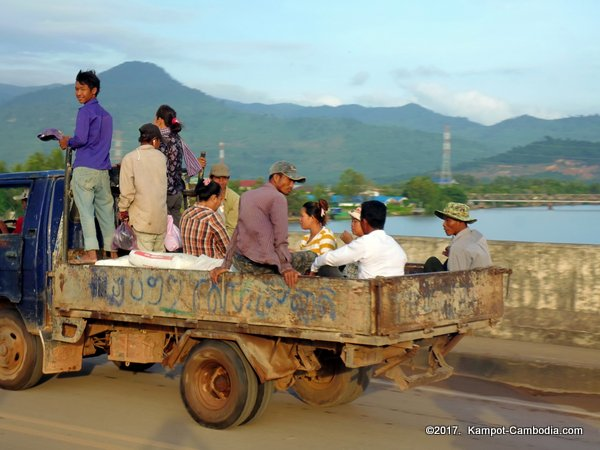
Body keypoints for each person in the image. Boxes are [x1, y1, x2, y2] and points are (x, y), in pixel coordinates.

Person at [210, 161, 315, 289]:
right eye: (289, 180)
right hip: (260, 266)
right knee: (313, 257)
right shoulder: (278, 198)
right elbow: (280, 240)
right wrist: (286, 268)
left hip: (241, 262)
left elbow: (237, 233)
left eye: (294, 182)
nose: (292, 185)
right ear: (277, 177)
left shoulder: (246, 196)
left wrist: (225, 265)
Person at [59, 70, 115, 264]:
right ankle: (111, 252)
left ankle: (91, 253)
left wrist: (68, 141)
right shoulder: (107, 116)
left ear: (94, 90)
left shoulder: (85, 112)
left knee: (86, 212)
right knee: (106, 213)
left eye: (82, 89)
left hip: (84, 169)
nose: (78, 93)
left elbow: (81, 139)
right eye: (76, 89)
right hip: (102, 170)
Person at [310, 200, 407, 279]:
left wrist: (314, 267)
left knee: (324, 268)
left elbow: (329, 258)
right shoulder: (394, 244)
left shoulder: (365, 242)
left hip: (366, 293)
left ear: (364, 222)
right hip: (391, 292)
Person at [118, 124, 168, 252]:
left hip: (142, 222)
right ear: (154, 140)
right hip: (160, 222)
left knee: (144, 264)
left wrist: (123, 210)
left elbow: (127, 192)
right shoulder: (162, 158)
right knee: (159, 262)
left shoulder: (130, 158)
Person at [424, 202, 492, 272]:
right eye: (444, 220)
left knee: (431, 262)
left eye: (448, 220)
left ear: (460, 222)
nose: (444, 224)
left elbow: (454, 279)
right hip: (483, 276)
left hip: (469, 281)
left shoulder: (458, 247)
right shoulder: (477, 235)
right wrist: (452, 253)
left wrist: (454, 251)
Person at [180, 179, 230, 258]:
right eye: (220, 199)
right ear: (214, 198)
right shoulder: (212, 217)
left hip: (189, 264)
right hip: (209, 266)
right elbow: (228, 249)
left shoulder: (186, 213)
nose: (220, 203)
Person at [154, 105, 186, 227]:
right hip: (177, 191)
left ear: (160, 120)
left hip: (164, 193)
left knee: (165, 233)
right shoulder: (177, 138)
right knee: (176, 233)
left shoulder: (160, 140)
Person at [209, 163, 240, 236]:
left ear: (228, 179)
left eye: (224, 178)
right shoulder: (205, 195)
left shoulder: (235, 199)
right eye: (217, 178)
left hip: (225, 238)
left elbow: (232, 229)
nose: (221, 181)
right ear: (211, 178)